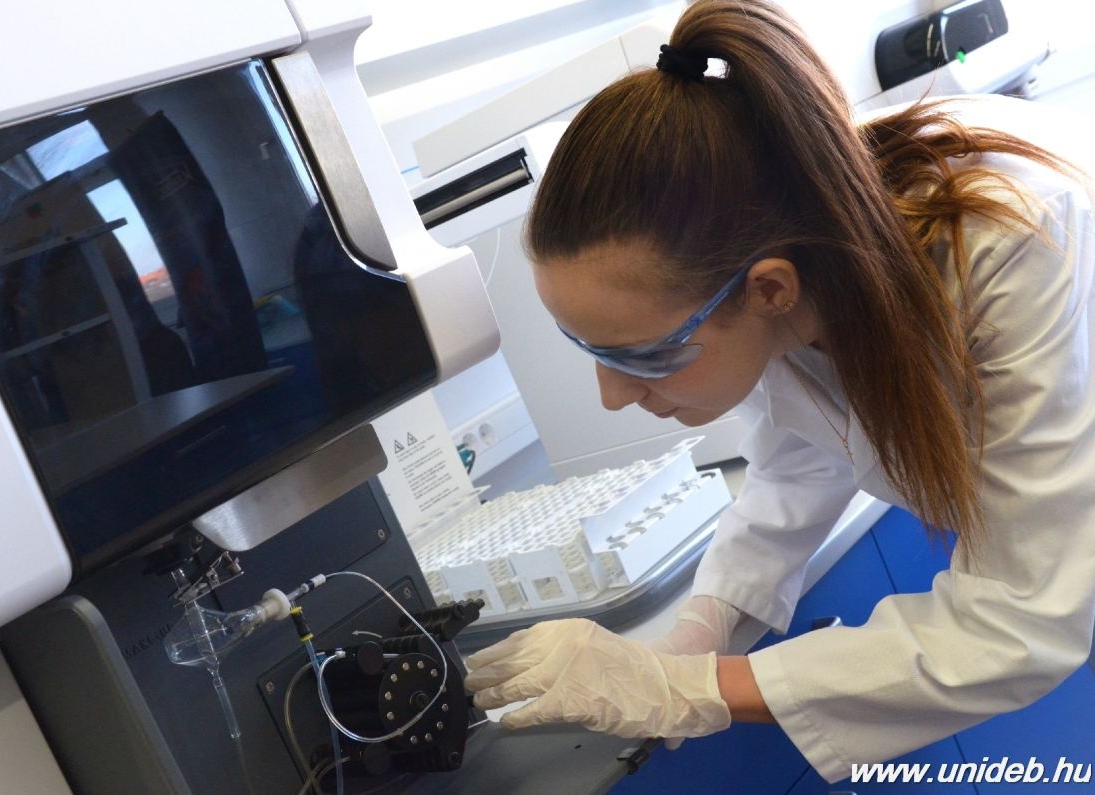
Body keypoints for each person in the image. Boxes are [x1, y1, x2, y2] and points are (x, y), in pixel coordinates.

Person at [463, 0, 1095, 782]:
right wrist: (704, 627)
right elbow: (804, 454)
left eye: (646, 354)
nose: (611, 395)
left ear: (769, 290)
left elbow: (1023, 616)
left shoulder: (1007, 248)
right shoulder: (779, 241)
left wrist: (691, 690)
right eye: (587, 348)